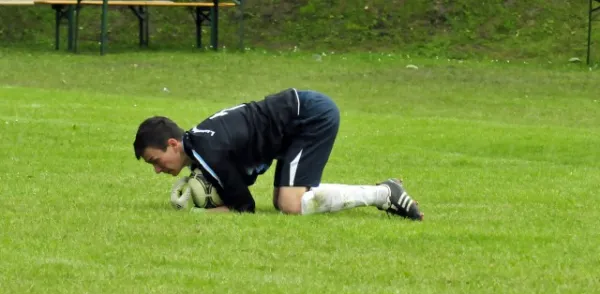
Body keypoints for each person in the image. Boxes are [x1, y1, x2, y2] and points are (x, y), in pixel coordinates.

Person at [133, 88, 424, 220]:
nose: (157, 170)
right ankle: (384, 193)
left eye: (155, 161)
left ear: (172, 144)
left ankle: (385, 194)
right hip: (295, 121)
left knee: (290, 204)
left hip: (308, 117)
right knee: (283, 201)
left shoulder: (207, 150)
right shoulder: (200, 143)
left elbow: (244, 206)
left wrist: (199, 213)